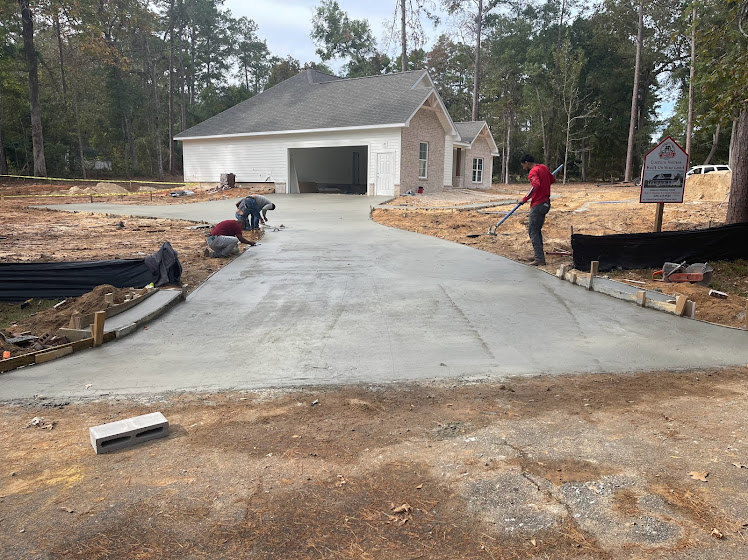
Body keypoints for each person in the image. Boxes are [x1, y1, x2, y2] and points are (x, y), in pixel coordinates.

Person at [520, 154, 555, 266]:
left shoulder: (533, 172)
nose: (523, 168)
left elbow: (535, 185)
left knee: (533, 231)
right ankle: (538, 255)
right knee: (537, 230)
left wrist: (525, 199)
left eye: (523, 165)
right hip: (546, 203)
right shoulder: (543, 168)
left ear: (527, 162)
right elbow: (552, 180)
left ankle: (539, 259)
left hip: (538, 204)